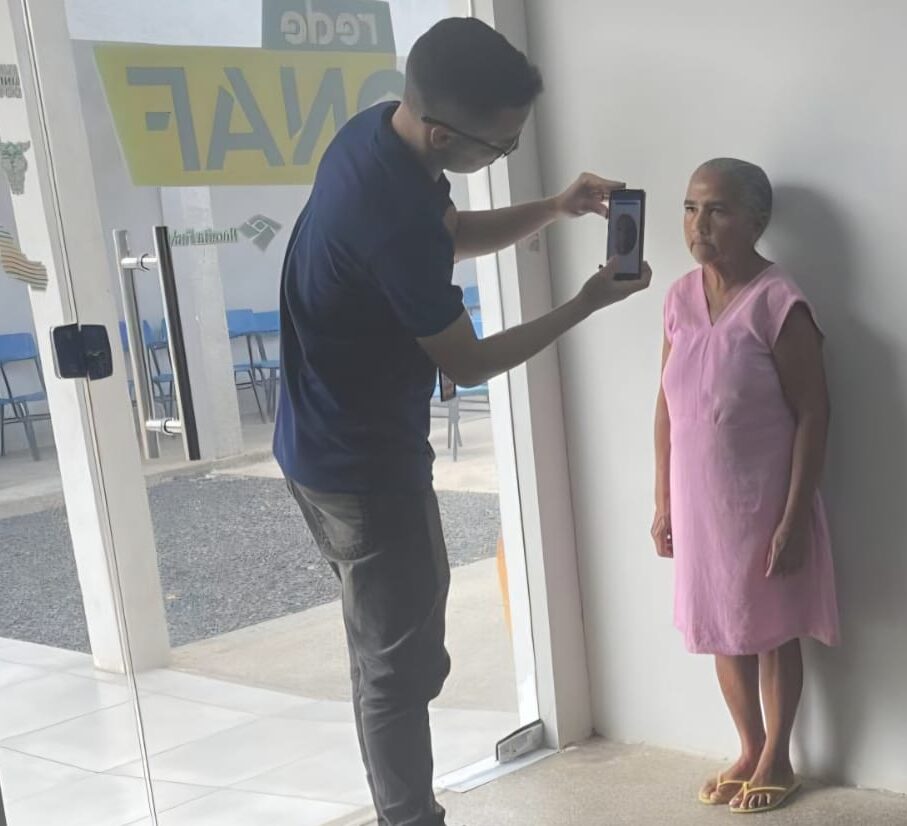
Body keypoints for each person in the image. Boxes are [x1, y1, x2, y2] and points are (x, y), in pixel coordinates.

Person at [274, 18, 650, 826]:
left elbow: (446, 236)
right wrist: (585, 302)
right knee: (401, 668)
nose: (504, 154)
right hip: (362, 466)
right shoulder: (390, 211)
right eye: (501, 145)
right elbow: (468, 362)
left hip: (316, 440)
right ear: (445, 133)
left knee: (389, 649)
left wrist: (554, 207)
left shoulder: (376, 135)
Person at [652, 158, 839, 815]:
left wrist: (793, 517)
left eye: (718, 210)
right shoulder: (678, 298)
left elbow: (814, 413)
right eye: (690, 207)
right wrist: (662, 502)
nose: (698, 224)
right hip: (698, 502)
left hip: (762, 501)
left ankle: (778, 757)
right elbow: (666, 405)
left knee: (771, 629)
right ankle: (748, 746)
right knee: (720, 626)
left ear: (756, 222)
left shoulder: (778, 301)